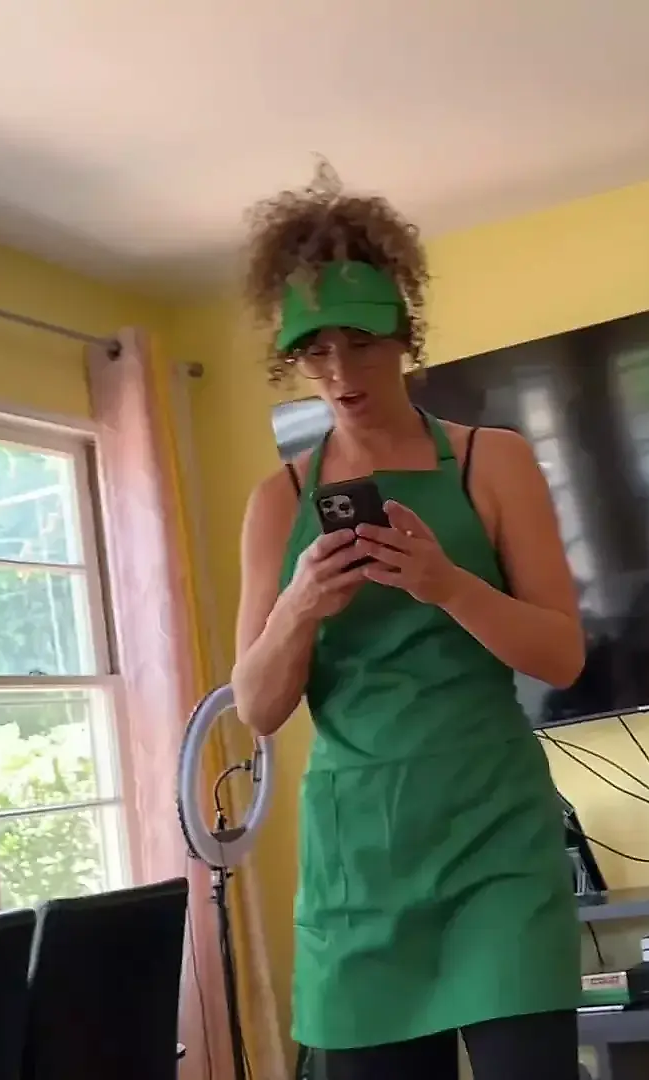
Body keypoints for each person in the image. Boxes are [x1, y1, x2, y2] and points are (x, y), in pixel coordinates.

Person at [229, 164, 587, 1080]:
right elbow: (258, 706)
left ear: (403, 333)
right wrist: (300, 606)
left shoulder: (492, 463)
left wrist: (447, 584)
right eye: (315, 350)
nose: (339, 373)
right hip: (358, 863)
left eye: (360, 342)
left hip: (497, 845)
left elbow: (561, 655)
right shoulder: (277, 504)